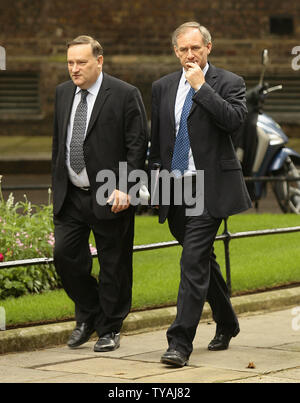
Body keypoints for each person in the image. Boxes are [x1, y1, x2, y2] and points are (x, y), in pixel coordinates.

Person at [149, 22, 252, 367]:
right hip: (175, 186)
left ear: (209, 47)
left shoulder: (230, 82)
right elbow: (160, 141)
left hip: (209, 187)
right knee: (202, 259)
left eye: (195, 48)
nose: (189, 55)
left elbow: (234, 122)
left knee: (192, 260)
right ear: (175, 51)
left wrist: (201, 87)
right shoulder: (162, 87)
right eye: (183, 49)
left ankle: (179, 343)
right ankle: (227, 320)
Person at [52, 35, 148, 352]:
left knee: (114, 264)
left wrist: (128, 188)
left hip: (111, 192)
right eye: (70, 63)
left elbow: (137, 146)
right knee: (65, 256)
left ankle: (109, 328)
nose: (74, 69)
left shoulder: (124, 94)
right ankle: (92, 312)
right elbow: (60, 143)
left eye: (81, 62)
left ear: (99, 61)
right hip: (72, 194)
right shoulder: (63, 93)